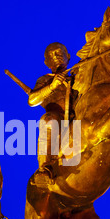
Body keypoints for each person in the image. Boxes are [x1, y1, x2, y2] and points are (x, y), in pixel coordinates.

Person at [28, 42, 77, 186]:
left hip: (78, 118)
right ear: (46, 62)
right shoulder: (44, 80)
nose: (58, 55)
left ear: (68, 56)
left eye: (61, 52)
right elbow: (32, 100)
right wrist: (52, 86)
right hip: (57, 119)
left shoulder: (77, 75)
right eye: (53, 54)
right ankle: (45, 168)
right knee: (48, 120)